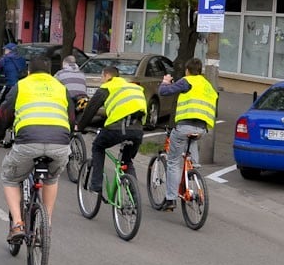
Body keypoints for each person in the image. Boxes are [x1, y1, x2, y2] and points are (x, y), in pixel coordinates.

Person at [0, 56, 71, 242]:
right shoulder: (60, 87)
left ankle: (17, 224)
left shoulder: (22, 86)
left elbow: (4, 113)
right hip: (60, 142)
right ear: (49, 73)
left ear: (29, 72)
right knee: (52, 177)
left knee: (10, 177)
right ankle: (46, 224)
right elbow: (71, 116)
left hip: (28, 141)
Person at [157, 57, 218, 211]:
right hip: (202, 129)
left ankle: (171, 199)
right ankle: (194, 170)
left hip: (184, 127)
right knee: (192, 141)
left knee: (173, 162)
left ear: (187, 70)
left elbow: (164, 91)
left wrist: (165, 81)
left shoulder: (187, 81)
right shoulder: (207, 85)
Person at [76, 66, 146, 193]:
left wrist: (80, 127)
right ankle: (134, 198)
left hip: (117, 128)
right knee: (127, 160)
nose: (101, 80)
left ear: (107, 76)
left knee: (98, 146)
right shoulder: (133, 86)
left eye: (102, 77)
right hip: (137, 130)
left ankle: (96, 185)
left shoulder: (107, 87)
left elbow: (91, 109)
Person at [0, 42, 26, 110]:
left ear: (9, 50)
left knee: (0, 102)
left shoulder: (4, 60)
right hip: (21, 86)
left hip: (10, 85)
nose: (5, 51)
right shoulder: (22, 59)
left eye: (6, 50)